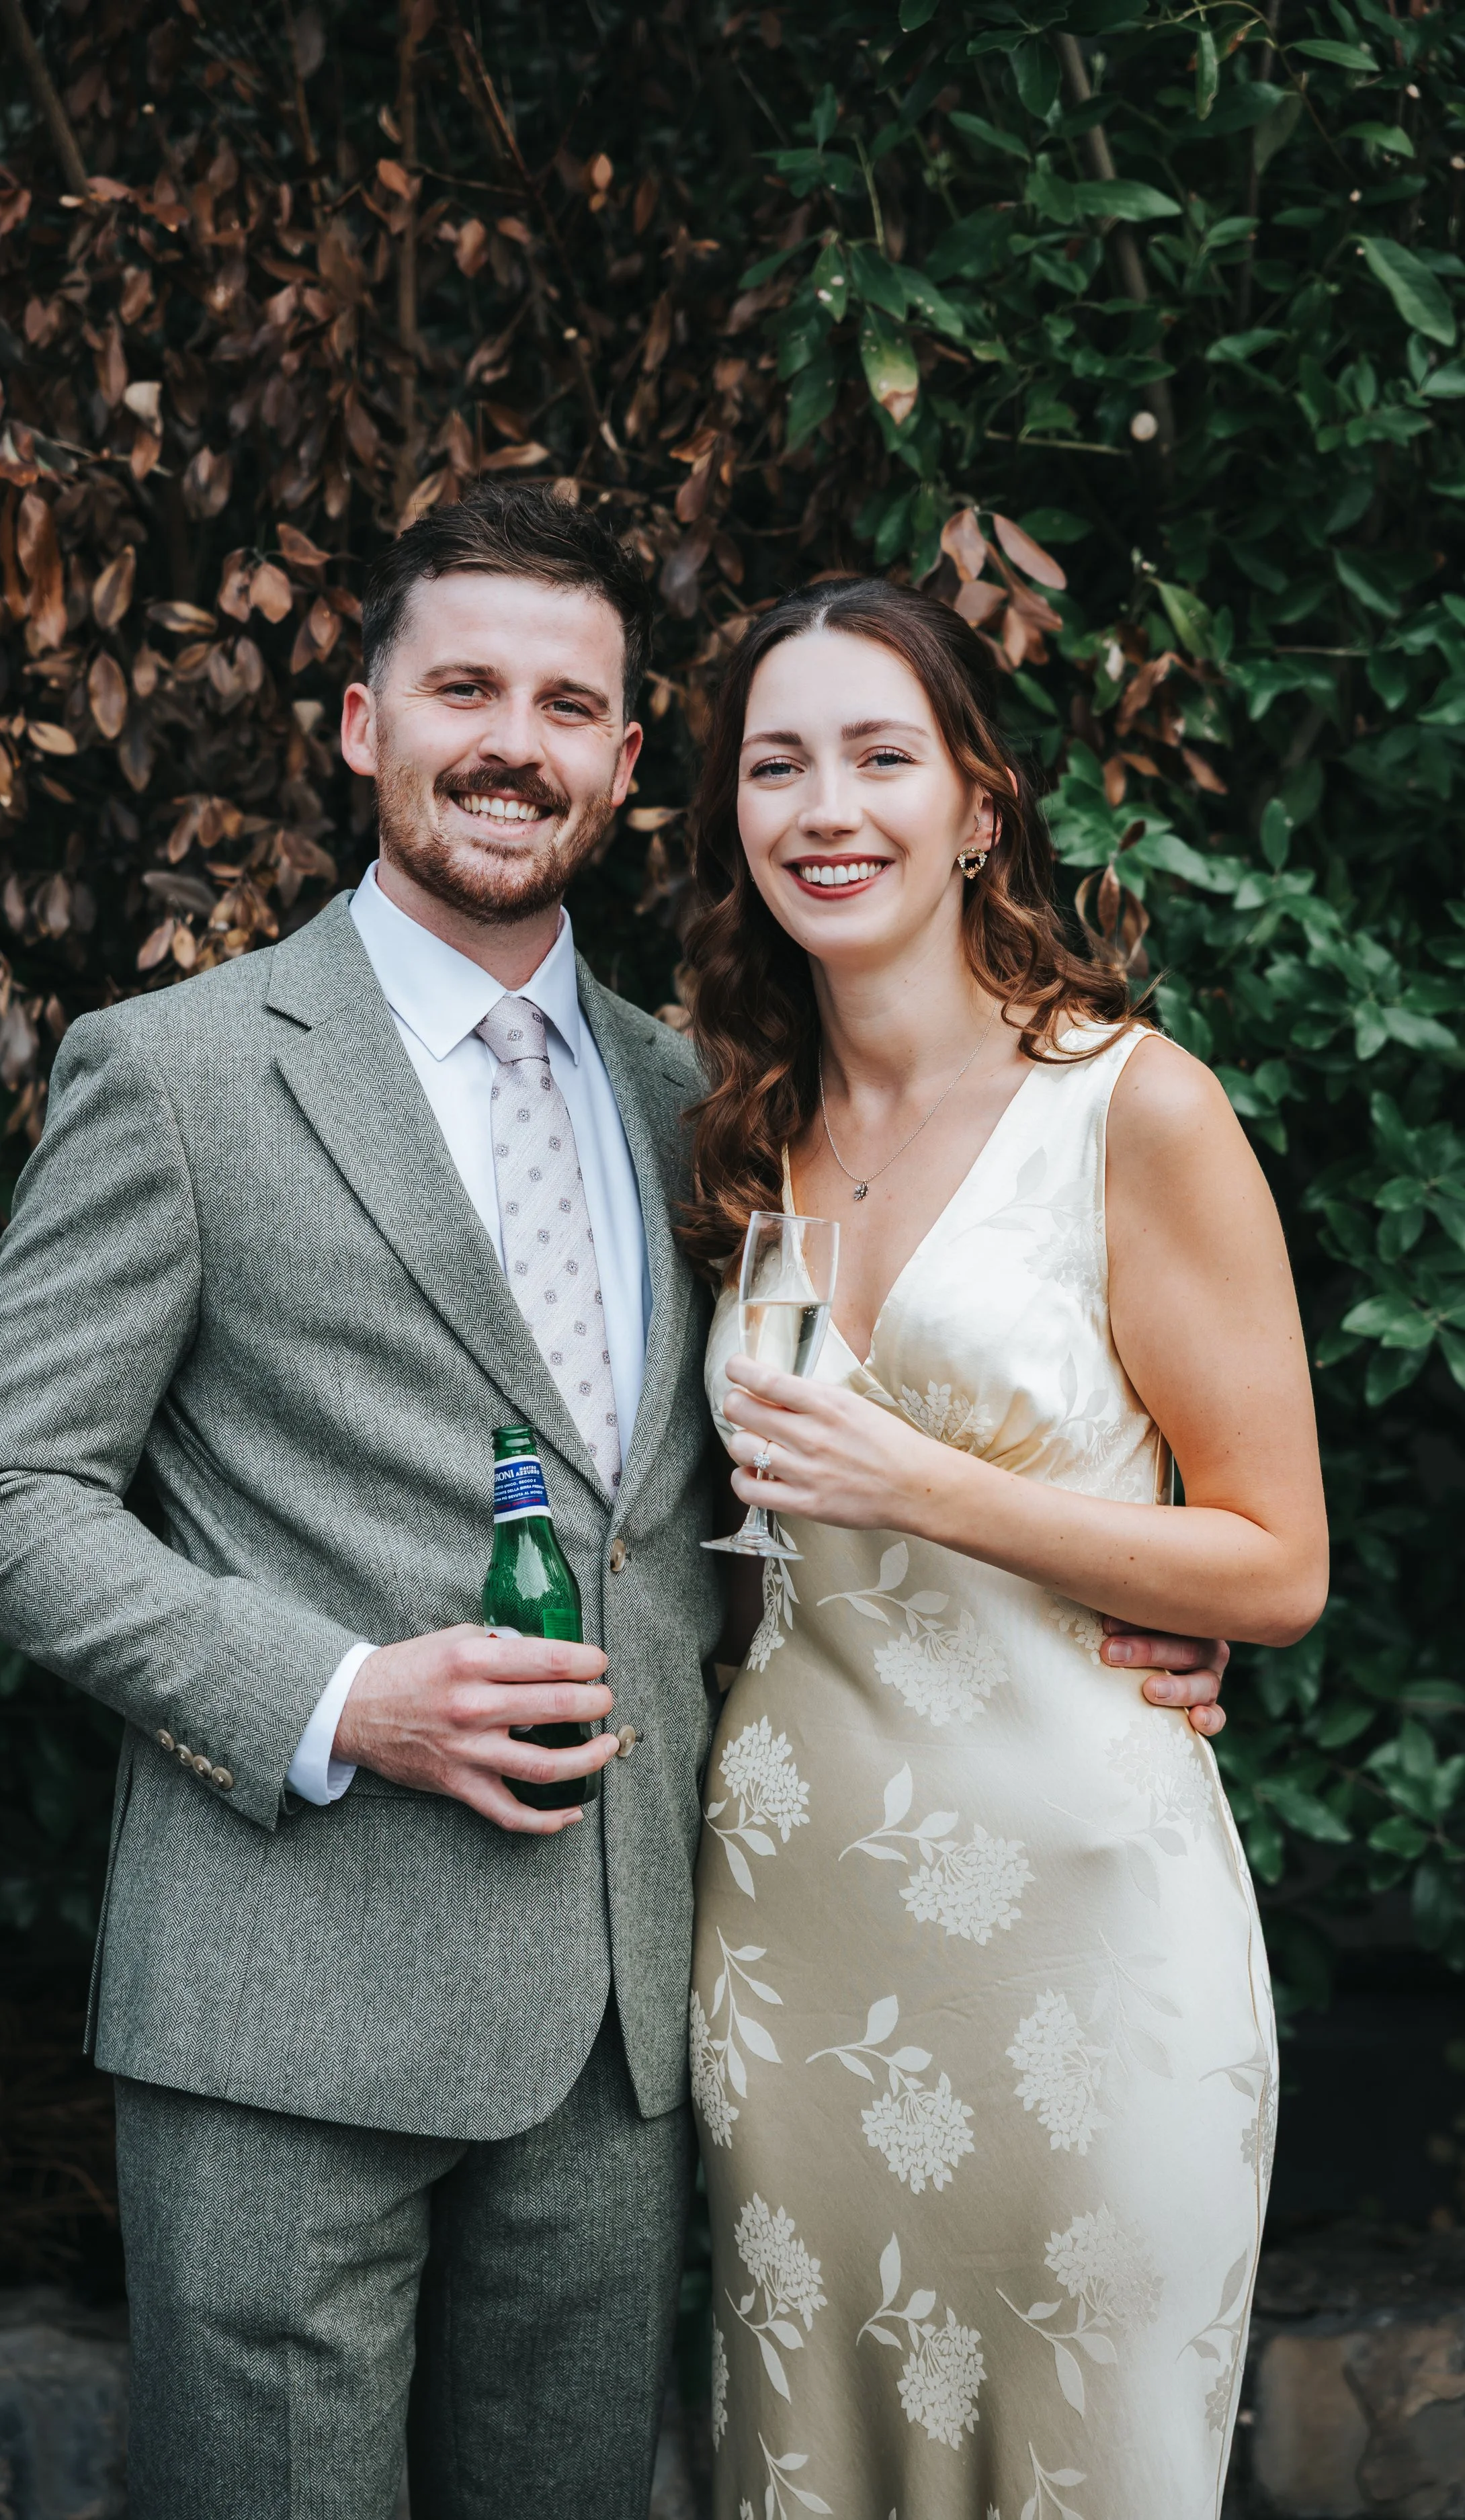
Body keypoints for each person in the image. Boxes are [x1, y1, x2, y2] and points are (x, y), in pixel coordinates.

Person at [0, 485, 1230, 2520]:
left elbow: (735, 1508)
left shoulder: (694, 1097)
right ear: (364, 724)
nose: (510, 741)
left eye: (567, 704)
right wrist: (341, 1695)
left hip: (626, 2026)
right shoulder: (175, 1072)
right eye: (461, 688)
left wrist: (1108, 1605)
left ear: (626, 767)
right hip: (286, 2014)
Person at [681, 577, 1328, 2519]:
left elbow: (1275, 1563)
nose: (827, 805)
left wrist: (928, 1488)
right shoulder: (736, 1132)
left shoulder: (1130, 1109)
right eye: (776, 762)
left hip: (1085, 1944)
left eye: (882, 755)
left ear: (977, 805)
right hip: (788, 1945)